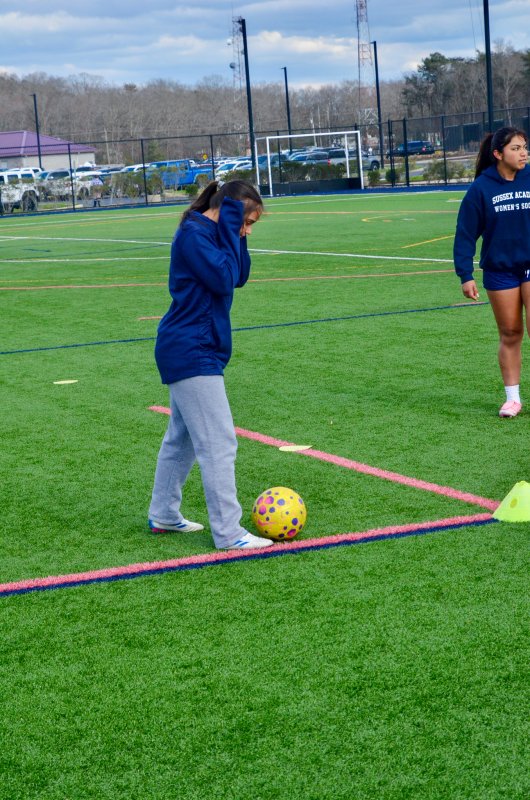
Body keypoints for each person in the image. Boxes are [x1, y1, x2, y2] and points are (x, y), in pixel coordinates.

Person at [148, 179, 274, 549]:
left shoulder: (213, 231)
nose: (246, 231)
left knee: (182, 438)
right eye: (245, 222)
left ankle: (164, 515)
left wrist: (236, 232)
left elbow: (240, 276)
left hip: (196, 346)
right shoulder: (194, 234)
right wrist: (230, 225)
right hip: (191, 348)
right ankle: (229, 532)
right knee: (220, 442)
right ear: (229, 210)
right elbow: (222, 279)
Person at [454, 126, 530, 418]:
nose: (523, 153)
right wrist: (465, 274)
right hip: (500, 271)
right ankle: (512, 399)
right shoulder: (481, 188)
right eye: (515, 148)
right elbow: (464, 234)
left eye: (525, 147)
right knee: (510, 332)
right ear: (498, 154)